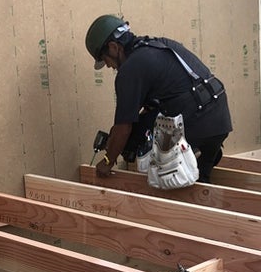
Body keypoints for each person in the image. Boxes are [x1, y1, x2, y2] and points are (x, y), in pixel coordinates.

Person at [85, 15, 233, 183]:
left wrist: (108, 161)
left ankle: (181, 161)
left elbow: (123, 127)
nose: (109, 66)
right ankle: (198, 159)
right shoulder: (159, 45)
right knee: (199, 183)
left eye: (105, 59)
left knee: (134, 140)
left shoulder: (130, 69)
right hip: (219, 120)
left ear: (113, 47)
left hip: (197, 123)